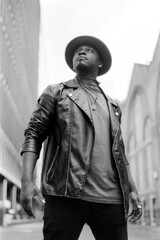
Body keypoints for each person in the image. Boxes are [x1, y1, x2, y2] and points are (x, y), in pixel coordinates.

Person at [20, 35, 142, 240]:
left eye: (89, 50)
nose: (81, 52)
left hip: (111, 200)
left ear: (100, 62)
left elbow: (119, 152)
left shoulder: (113, 106)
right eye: (78, 50)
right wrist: (26, 180)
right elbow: (33, 133)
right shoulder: (56, 92)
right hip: (64, 194)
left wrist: (132, 190)